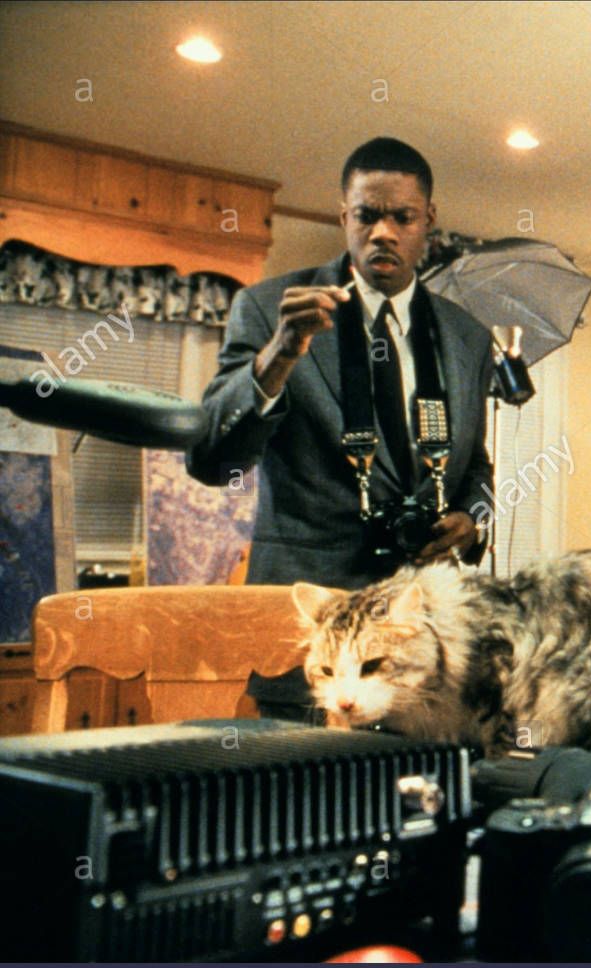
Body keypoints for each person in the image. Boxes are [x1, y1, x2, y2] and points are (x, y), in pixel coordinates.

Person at [187, 137, 495, 713]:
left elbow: (475, 466)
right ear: (342, 217)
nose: (383, 233)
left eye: (402, 217)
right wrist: (279, 354)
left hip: (419, 654)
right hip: (311, 647)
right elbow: (211, 459)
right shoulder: (269, 309)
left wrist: (472, 521)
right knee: (295, 775)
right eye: (366, 215)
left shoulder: (468, 337)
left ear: (429, 219)